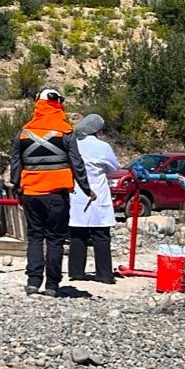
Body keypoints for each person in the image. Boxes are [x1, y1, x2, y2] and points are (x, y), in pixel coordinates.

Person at [10, 88, 93, 297]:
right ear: (57, 103)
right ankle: (52, 286)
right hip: (57, 195)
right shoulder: (65, 131)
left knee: (35, 237)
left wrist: (17, 188)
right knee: (55, 239)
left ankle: (32, 282)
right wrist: (86, 188)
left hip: (30, 193)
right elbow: (77, 163)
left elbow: (15, 164)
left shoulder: (23, 132)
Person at [68, 114, 119, 284]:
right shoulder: (102, 147)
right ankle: (104, 274)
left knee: (77, 233)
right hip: (98, 191)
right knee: (101, 234)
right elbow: (114, 168)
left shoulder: (73, 144)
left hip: (77, 192)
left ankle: (76, 272)